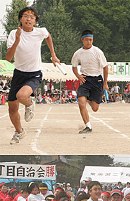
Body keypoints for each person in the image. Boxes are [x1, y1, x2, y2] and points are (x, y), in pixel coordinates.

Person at [5, 6, 60, 144]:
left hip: (34, 73)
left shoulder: (40, 31)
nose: (28, 18)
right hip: (18, 73)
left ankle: (30, 104)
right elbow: (8, 58)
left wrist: (53, 55)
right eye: (25, 15)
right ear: (20, 19)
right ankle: (19, 132)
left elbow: (48, 37)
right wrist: (17, 39)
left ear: (35, 20)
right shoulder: (13, 33)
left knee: (21, 96)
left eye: (32, 16)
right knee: (12, 107)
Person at [71, 29, 109, 134]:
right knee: (81, 103)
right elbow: (74, 67)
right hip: (85, 80)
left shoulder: (97, 51)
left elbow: (105, 67)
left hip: (97, 80)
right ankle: (88, 126)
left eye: (91, 40)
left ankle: (88, 98)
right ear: (82, 40)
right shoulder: (78, 53)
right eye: (87, 40)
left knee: (95, 108)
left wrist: (105, 82)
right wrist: (78, 76)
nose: (89, 42)